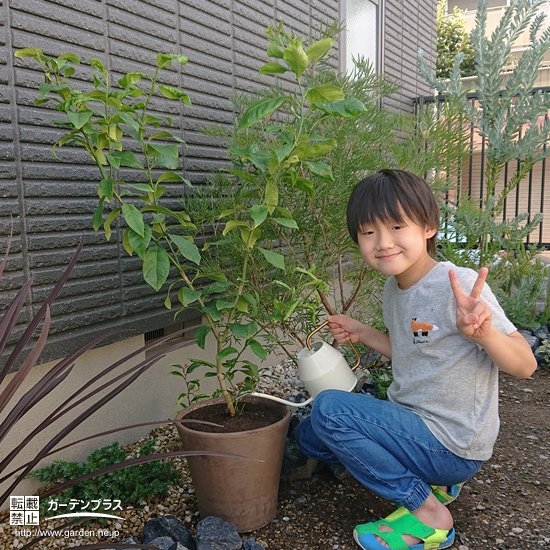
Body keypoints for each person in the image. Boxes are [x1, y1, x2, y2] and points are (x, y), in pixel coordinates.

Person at [294, 169, 537, 550]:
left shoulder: (455, 284)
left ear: (428, 227)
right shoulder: (395, 288)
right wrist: (363, 332)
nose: (383, 243)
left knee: (329, 412)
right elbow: (412, 353)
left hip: (451, 442)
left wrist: (486, 334)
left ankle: (428, 511)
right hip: (417, 426)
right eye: (369, 232)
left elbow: (526, 365)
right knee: (310, 436)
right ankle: (437, 480)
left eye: (396, 226)